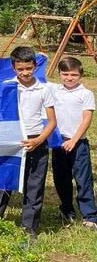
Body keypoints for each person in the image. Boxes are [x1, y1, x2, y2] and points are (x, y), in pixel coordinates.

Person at [0, 46, 57, 238]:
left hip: (37, 142)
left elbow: (52, 122)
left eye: (29, 68)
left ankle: (30, 227)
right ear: (13, 68)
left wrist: (39, 140)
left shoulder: (44, 89)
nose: (25, 73)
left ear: (35, 65)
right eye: (20, 69)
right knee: (3, 181)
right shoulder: (7, 86)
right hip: (12, 142)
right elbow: (1, 115)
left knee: (34, 185)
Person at [50, 56, 97, 230]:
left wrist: (74, 140)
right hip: (59, 143)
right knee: (61, 179)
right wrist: (40, 60)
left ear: (81, 75)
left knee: (83, 180)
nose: (69, 78)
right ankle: (66, 210)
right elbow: (36, 81)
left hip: (78, 143)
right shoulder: (54, 90)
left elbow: (86, 120)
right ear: (59, 74)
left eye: (73, 74)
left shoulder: (85, 94)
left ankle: (90, 216)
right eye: (65, 74)